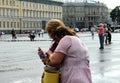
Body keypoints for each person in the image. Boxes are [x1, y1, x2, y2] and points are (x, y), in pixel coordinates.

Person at [38, 19, 92, 83]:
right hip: (85, 78)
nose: (53, 40)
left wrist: (49, 54)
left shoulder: (66, 39)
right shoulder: (77, 40)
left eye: (53, 37)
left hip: (72, 79)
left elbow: (55, 61)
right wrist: (45, 58)